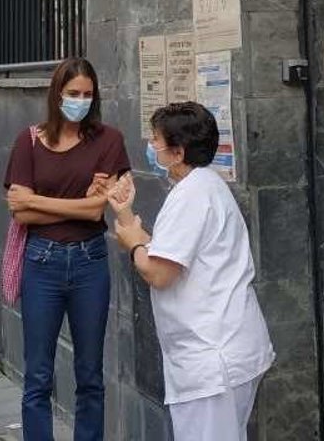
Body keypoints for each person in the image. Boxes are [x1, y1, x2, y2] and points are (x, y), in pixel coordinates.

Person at [110, 102, 275, 441]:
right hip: (224, 351)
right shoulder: (204, 186)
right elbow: (172, 254)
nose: (151, 146)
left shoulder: (192, 196)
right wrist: (126, 214)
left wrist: (135, 246)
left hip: (212, 359)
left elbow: (159, 273)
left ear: (178, 152)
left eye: (156, 140)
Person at [3, 57, 132, 441]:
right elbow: (20, 214)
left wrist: (36, 200)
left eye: (88, 95)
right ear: (57, 94)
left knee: (90, 374)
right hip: (41, 261)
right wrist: (80, 203)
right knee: (37, 375)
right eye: (73, 93)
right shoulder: (28, 141)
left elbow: (96, 211)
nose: (81, 101)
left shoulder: (109, 140)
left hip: (90, 262)